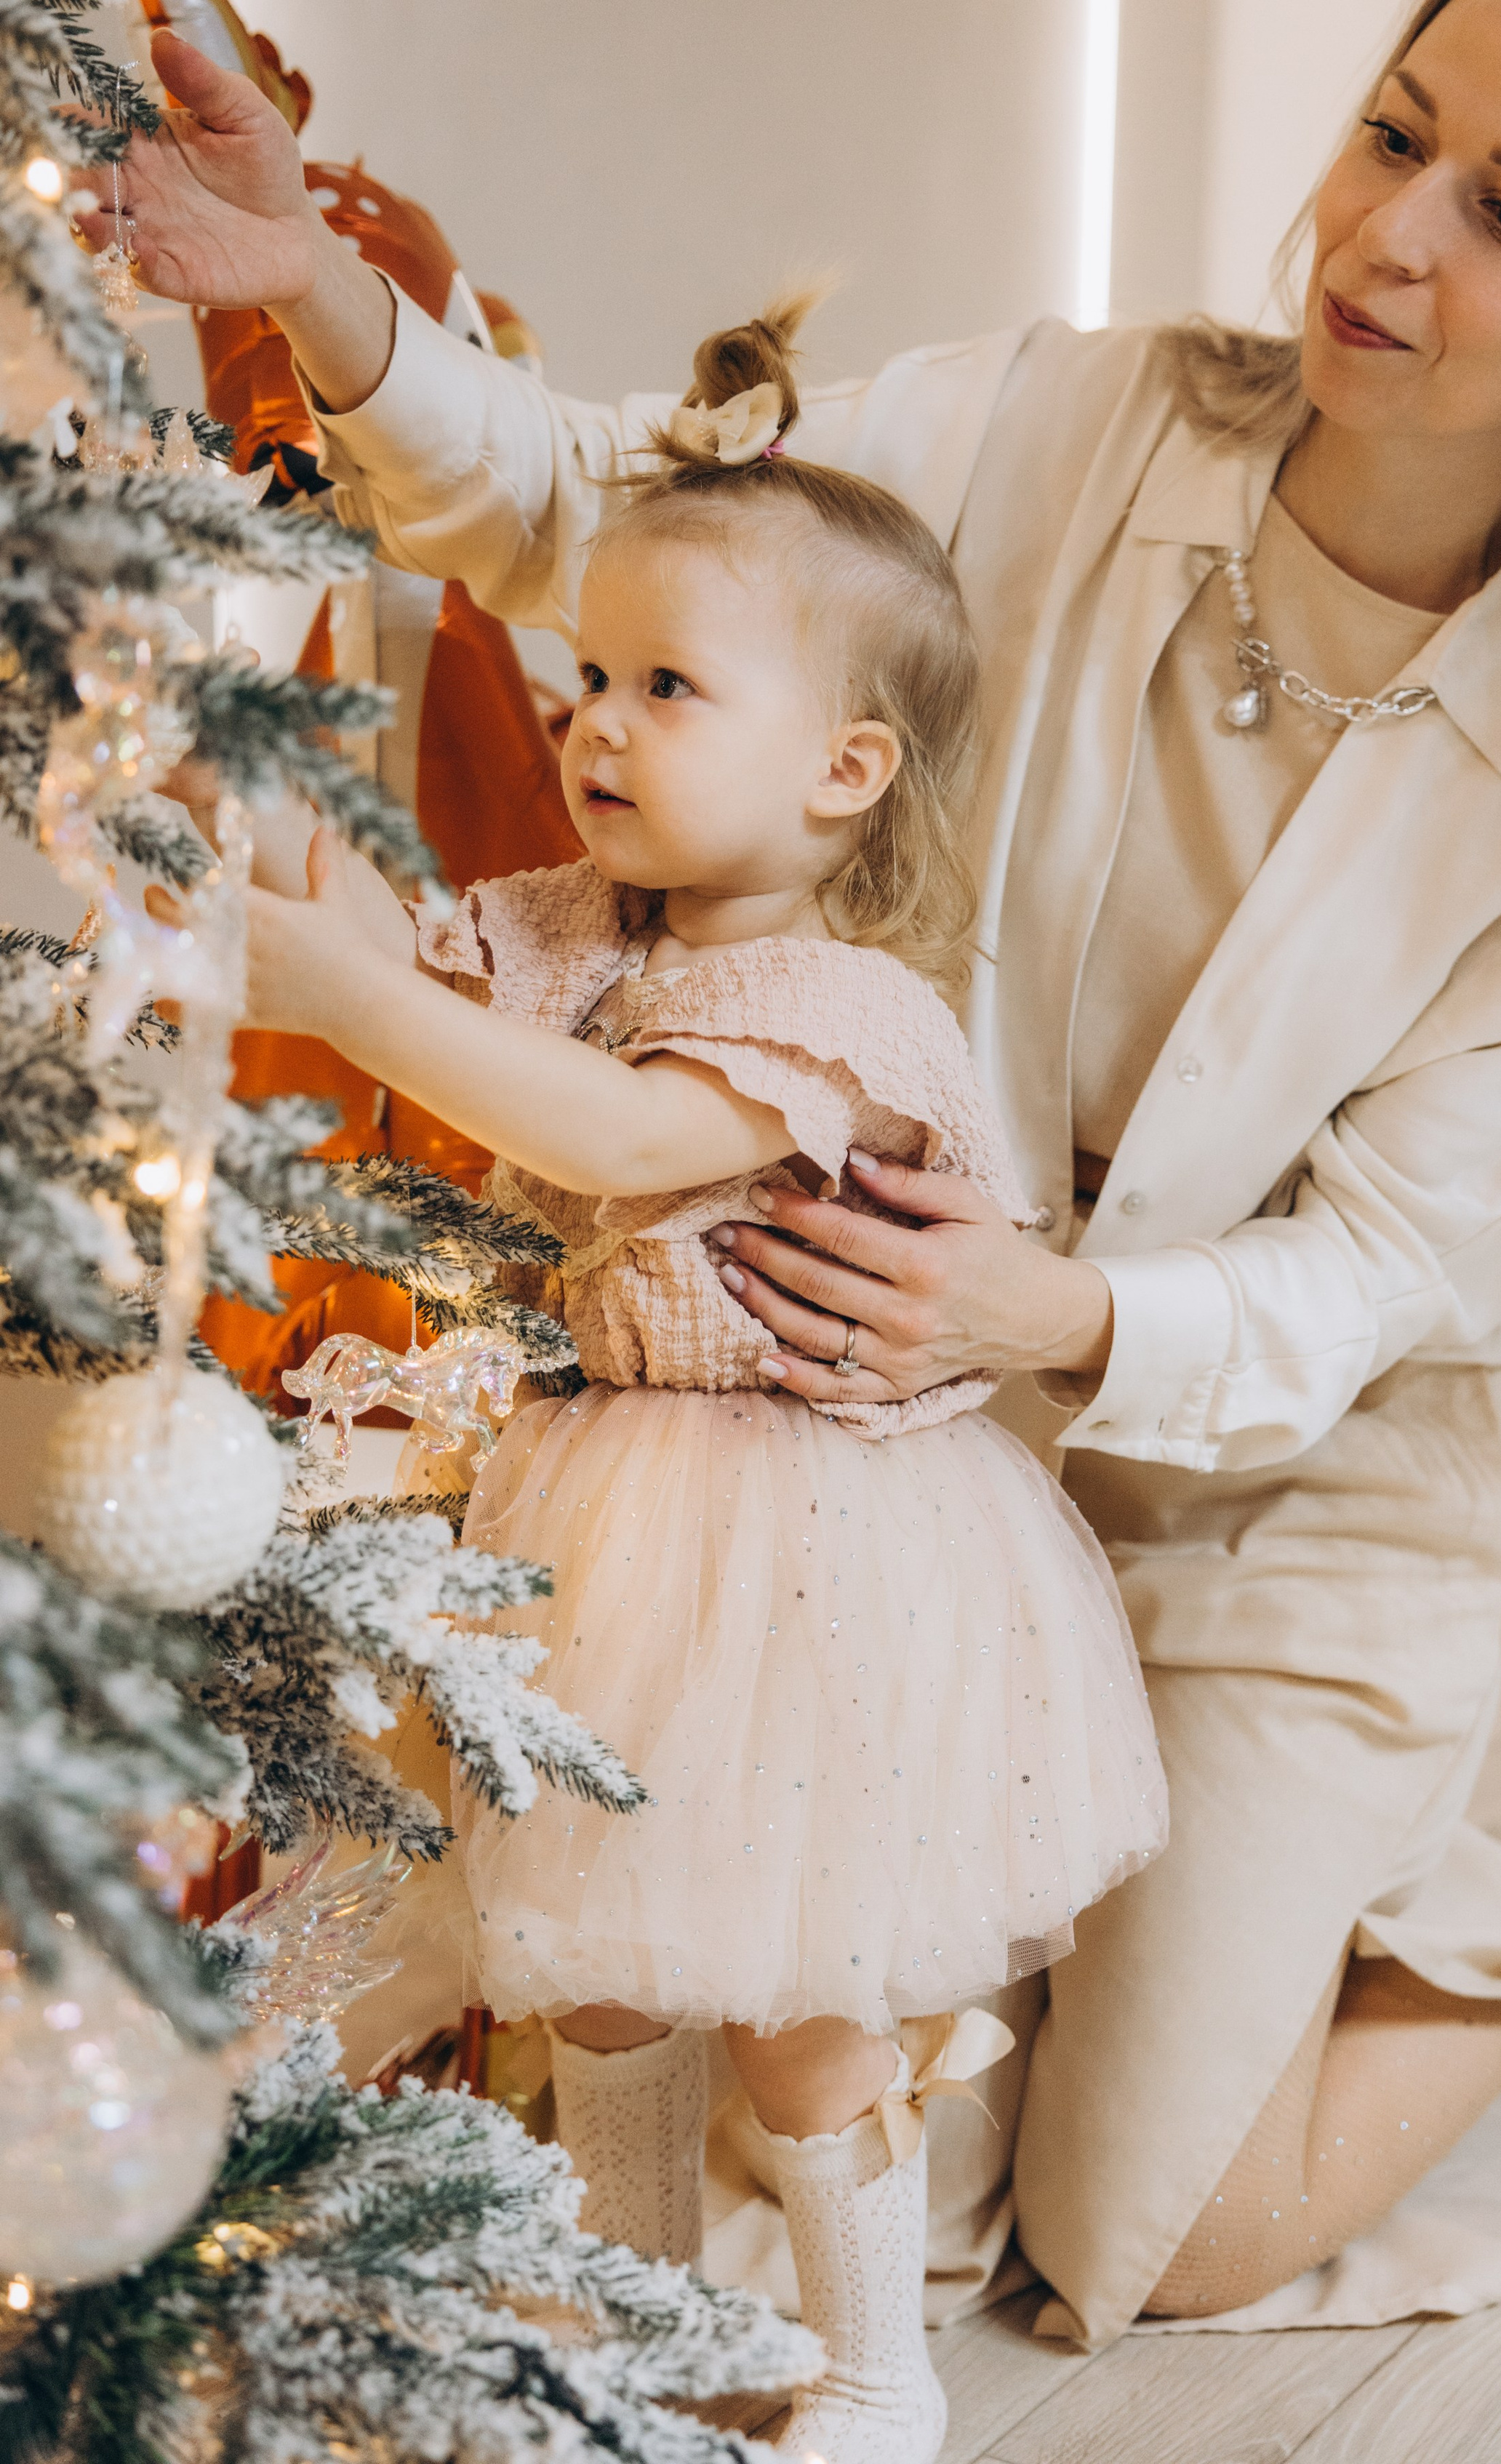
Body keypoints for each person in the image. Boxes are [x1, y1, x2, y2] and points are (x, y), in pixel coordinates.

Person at [109, 0, 1501, 2347]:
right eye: (1394, 136)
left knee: (1153, 2246)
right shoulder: (1061, 415)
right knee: (811, 2190)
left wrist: (1062, 1305)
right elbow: (638, 520)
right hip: (888, 1477)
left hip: (1283, 1515)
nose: (1387, 235)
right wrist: (323, 296)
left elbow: (1403, 1259)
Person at [230, 305, 1166, 2464]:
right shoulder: (582, 922)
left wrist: (352, 1000)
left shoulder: (841, 1005)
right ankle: (631, 2331)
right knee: (603, 1979)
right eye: (589, 681)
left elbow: (616, 1140)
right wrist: (259, 778)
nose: (597, 727)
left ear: (847, 766)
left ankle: (870, 2367)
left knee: (809, 2018)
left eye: (668, 689)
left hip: (819, 1561)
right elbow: (407, 940)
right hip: (608, 1529)